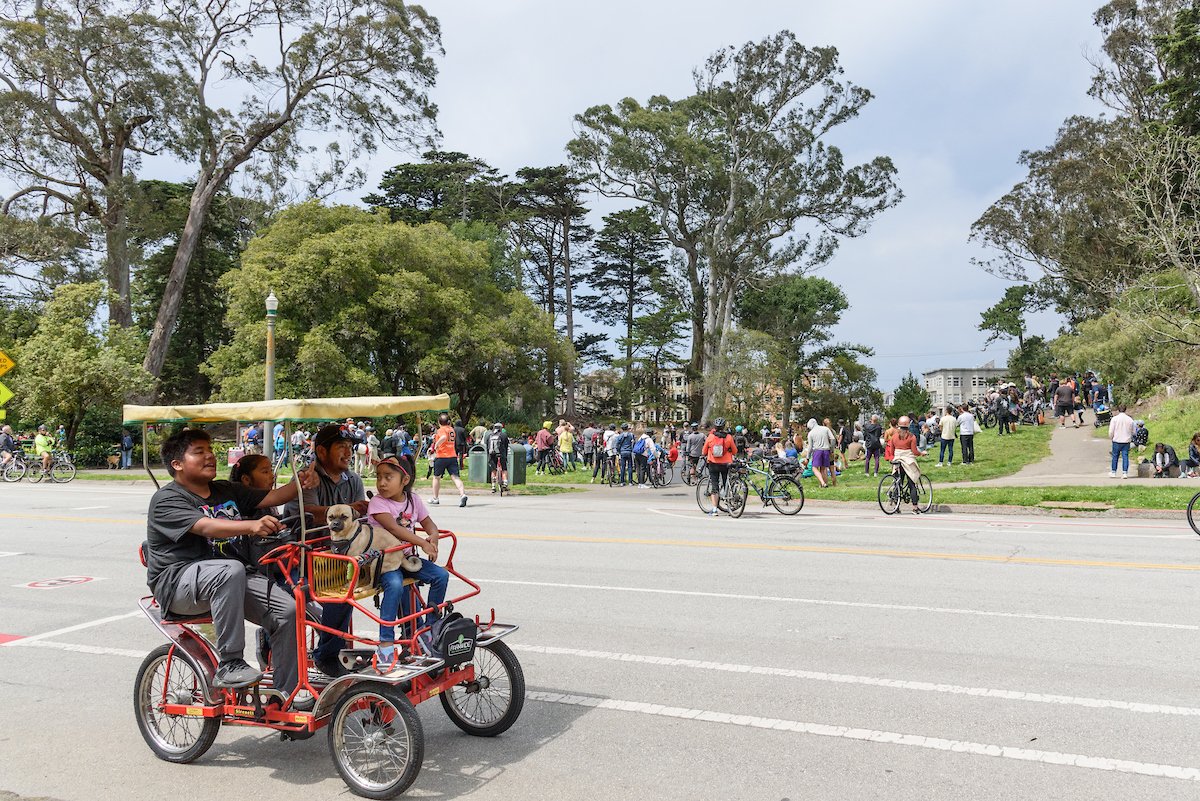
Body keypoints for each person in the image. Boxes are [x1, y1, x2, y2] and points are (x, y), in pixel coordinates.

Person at [145, 428, 319, 704]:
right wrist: (252, 525)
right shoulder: (167, 499)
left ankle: (287, 693)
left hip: (230, 578)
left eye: (210, 450)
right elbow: (206, 526)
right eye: (199, 452)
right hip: (180, 583)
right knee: (230, 570)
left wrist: (300, 481)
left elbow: (271, 498)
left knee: (288, 610)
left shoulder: (225, 490)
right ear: (177, 464)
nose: (210, 456)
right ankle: (230, 663)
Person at [282, 423, 370, 677]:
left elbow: (360, 516)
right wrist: (351, 509)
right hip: (302, 557)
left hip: (339, 555)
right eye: (341, 447)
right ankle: (327, 654)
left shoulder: (352, 479)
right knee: (338, 590)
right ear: (321, 451)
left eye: (350, 447)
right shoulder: (307, 477)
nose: (348, 452)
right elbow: (317, 515)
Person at [367, 455, 450, 660]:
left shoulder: (413, 500)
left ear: (404, 481)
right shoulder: (377, 503)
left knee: (441, 576)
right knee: (394, 585)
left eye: (388, 477)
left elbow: (429, 524)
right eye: (379, 477)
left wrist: (434, 536)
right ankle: (385, 642)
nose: (382, 483)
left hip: (407, 560)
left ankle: (430, 627)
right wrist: (422, 543)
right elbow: (395, 528)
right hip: (385, 563)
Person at [429, 413, 468, 507]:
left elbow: (443, 437)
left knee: (436, 477)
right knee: (455, 477)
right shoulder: (451, 430)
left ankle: (435, 498)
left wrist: (436, 445)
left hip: (442, 456)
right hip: (452, 456)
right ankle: (463, 494)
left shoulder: (441, 430)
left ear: (439, 422)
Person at [892, 417, 927, 513]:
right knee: (912, 483)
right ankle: (915, 507)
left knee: (898, 483)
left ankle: (896, 506)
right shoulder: (912, 437)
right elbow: (914, 452)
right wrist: (921, 453)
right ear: (908, 425)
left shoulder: (894, 436)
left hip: (897, 460)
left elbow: (892, 450)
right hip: (908, 461)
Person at [702, 418, 737, 516]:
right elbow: (734, 451)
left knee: (714, 485)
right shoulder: (729, 437)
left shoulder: (710, 437)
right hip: (726, 464)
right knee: (727, 483)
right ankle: (729, 503)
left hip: (713, 464)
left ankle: (714, 509)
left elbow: (704, 451)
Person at [807, 418, 836, 489]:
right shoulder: (825, 429)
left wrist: (808, 457)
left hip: (817, 451)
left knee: (814, 468)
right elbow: (833, 439)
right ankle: (825, 484)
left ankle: (822, 483)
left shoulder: (811, 433)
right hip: (826, 450)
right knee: (823, 469)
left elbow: (810, 447)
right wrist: (831, 449)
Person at [1108, 404, 1134, 479]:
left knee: (1115, 456)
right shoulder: (1129, 419)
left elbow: (1111, 430)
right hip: (1126, 440)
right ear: (1125, 409)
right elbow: (1133, 430)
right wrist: (1131, 436)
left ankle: (1113, 472)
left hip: (1116, 440)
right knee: (1125, 456)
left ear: (1118, 410)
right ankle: (1124, 473)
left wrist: (1111, 437)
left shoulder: (1115, 419)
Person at [485, 422, 510, 490]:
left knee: (493, 470)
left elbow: (487, 446)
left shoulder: (489, 435)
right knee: (504, 468)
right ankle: (505, 482)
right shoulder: (503, 435)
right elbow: (506, 445)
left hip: (492, 454)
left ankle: (493, 485)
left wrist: (489, 457)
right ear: (501, 428)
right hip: (501, 454)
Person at [616, 423, 635, 487]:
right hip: (629, 451)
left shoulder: (620, 436)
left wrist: (618, 451)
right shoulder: (631, 435)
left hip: (622, 452)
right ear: (627, 428)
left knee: (622, 467)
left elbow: (617, 444)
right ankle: (630, 482)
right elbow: (633, 442)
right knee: (630, 467)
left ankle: (622, 481)